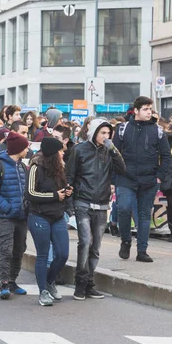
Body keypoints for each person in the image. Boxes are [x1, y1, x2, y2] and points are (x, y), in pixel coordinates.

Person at [66, 118, 126, 300]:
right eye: (103, 133)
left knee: (96, 246)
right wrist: (70, 205)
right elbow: (69, 176)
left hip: (101, 203)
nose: (106, 137)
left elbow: (123, 170)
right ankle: (80, 283)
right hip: (82, 201)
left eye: (108, 133)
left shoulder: (110, 151)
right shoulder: (79, 150)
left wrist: (114, 149)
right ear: (93, 132)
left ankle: (89, 283)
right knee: (85, 241)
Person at [113, 96, 171, 263]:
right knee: (123, 209)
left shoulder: (158, 130)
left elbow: (166, 157)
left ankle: (142, 251)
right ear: (136, 111)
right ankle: (125, 241)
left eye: (150, 109)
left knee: (144, 215)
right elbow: (114, 155)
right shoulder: (123, 128)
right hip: (126, 177)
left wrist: (159, 177)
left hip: (149, 179)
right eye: (145, 109)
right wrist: (112, 180)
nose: (149, 112)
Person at [25, 138, 72, 306]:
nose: (63, 153)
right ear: (53, 153)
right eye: (60, 151)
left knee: (63, 254)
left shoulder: (60, 167)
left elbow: (62, 188)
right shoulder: (35, 166)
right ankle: (42, 291)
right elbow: (30, 193)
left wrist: (67, 192)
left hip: (58, 215)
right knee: (43, 255)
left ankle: (50, 281)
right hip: (39, 216)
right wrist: (54, 196)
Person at [0, 132, 30, 299]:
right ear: (18, 148)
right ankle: (3, 282)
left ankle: (12, 280)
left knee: (19, 249)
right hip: (5, 216)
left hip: (21, 217)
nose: (27, 149)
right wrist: (8, 208)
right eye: (25, 146)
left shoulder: (22, 166)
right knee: (6, 250)